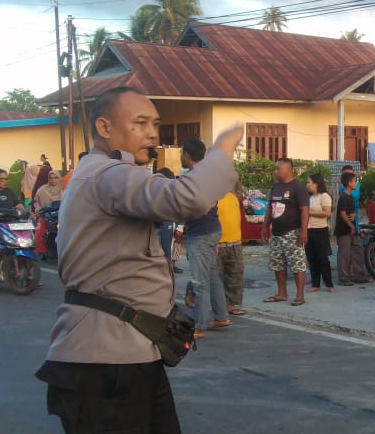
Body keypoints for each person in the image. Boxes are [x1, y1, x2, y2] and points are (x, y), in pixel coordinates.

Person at [34, 86, 241, 433]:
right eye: (141, 122)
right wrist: (221, 151)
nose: (152, 134)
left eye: (156, 124)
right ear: (104, 127)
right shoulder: (108, 173)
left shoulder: (102, 174)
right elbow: (187, 199)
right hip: (107, 363)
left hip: (127, 355)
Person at [181, 138, 231, 338]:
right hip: (211, 229)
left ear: (186, 155)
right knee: (211, 276)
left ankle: (199, 325)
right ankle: (221, 315)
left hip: (200, 232)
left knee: (199, 281)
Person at [262, 157, 310, 306]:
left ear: (289, 170)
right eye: (275, 168)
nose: (275, 171)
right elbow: (270, 208)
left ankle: (300, 295)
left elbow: (304, 210)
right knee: (277, 264)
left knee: (297, 264)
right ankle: (281, 293)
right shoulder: (275, 187)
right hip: (277, 233)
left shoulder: (298, 187)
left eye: (278, 168)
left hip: (292, 233)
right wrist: (265, 226)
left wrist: (303, 231)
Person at [217, 181, 247, 316]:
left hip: (235, 242)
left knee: (235, 275)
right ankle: (215, 304)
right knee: (215, 276)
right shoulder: (211, 197)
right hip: (217, 243)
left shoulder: (234, 197)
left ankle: (231, 304)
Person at [0, 166, 26, 266]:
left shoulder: (9, 191)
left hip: (9, 226)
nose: (5, 181)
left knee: (24, 246)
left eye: (6, 178)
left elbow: (17, 204)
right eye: (2, 179)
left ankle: (30, 276)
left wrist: (25, 211)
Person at [334, 171, 367, 285]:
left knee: (355, 251)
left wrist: (353, 216)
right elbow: (342, 214)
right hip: (344, 230)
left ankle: (356, 275)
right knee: (344, 254)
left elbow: (349, 213)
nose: (356, 184)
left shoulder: (351, 197)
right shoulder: (344, 197)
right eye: (354, 181)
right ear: (349, 183)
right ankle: (343, 278)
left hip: (350, 230)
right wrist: (351, 226)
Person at [305, 173, 335, 292]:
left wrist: (310, 213)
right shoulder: (310, 197)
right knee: (311, 258)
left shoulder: (324, 196)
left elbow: (327, 213)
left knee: (322, 258)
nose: (307, 185)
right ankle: (315, 283)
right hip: (309, 229)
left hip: (320, 230)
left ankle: (329, 284)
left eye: (309, 182)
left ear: (316, 184)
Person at [154, 168, 181, 274]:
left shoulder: (171, 190)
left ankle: (168, 270)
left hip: (167, 222)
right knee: (162, 248)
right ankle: (164, 270)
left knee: (167, 249)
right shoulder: (158, 189)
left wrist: (180, 226)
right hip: (160, 222)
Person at [32, 170, 64, 256]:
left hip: (61, 217)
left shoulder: (64, 190)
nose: (53, 180)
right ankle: (41, 252)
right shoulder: (42, 190)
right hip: (45, 216)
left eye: (56, 177)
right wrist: (38, 209)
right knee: (39, 233)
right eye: (51, 178)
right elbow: (36, 202)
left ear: (59, 178)